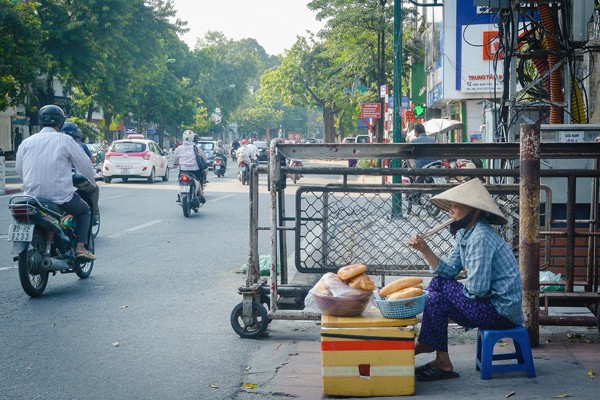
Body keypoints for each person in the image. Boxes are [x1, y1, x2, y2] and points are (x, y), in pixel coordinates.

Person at [407, 178, 523, 381]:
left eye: (455, 206)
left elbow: (477, 289)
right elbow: (450, 270)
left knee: (438, 291)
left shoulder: (480, 237)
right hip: (487, 305)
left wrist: (455, 296)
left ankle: (431, 345)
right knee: (437, 292)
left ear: (473, 210)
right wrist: (425, 250)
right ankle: (440, 357)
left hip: (500, 312)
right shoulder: (465, 233)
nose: (450, 211)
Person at [16, 105, 97, 260]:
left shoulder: (27, 142)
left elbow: (20, 170)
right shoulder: (65, 140)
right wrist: (92, 179)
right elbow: (85, 165)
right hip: (60, 196)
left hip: (32, 198)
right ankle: (80, 248)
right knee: (85, 211)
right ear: (60, 123)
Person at [61, 121, 100, 223]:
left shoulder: (54, 144)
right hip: (74, 179)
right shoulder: (78, 145)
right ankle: (94, 214)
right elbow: (87, 163)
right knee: (94, 188)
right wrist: (92, 176)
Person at [173, 130, 207, 204]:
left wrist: (176, 164)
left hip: (183, 171)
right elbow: (204, 157)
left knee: (180, 181)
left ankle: (179, 195)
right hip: (195, 171)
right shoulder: (196, 147)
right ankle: (201, 195)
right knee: (199, 179)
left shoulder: (179, 148)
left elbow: (175, 159)